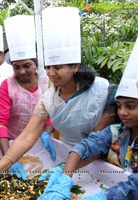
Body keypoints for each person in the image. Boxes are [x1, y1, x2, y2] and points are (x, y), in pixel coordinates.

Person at [0, 7, 117, 190]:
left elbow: (99, 141)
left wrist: (67, 168)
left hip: (104, 165)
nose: (51, 73)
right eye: (48, 67)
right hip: (70, 160)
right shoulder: (49, 98)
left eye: (58, 67)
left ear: (75, 66)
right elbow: (27, 136)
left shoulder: (102, 92)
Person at [37, 37, 138, 200]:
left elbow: (134, 187)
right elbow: (87, 145)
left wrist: (101, 197)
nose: (123, 112)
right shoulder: (116, 132)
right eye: (119, 106)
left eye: (130, 106)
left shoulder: (98, 90)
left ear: (75, 68)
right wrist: (65, 173)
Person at [0, 15, 53, 157]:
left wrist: (47, 132)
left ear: (35, 64)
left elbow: (53, 111)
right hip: (14, 143)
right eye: (16, 67)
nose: (22, 71)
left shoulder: (48, 81)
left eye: (27, 66)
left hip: (42, 143)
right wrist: (8, 156)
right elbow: (0, 122)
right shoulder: (7, 85)